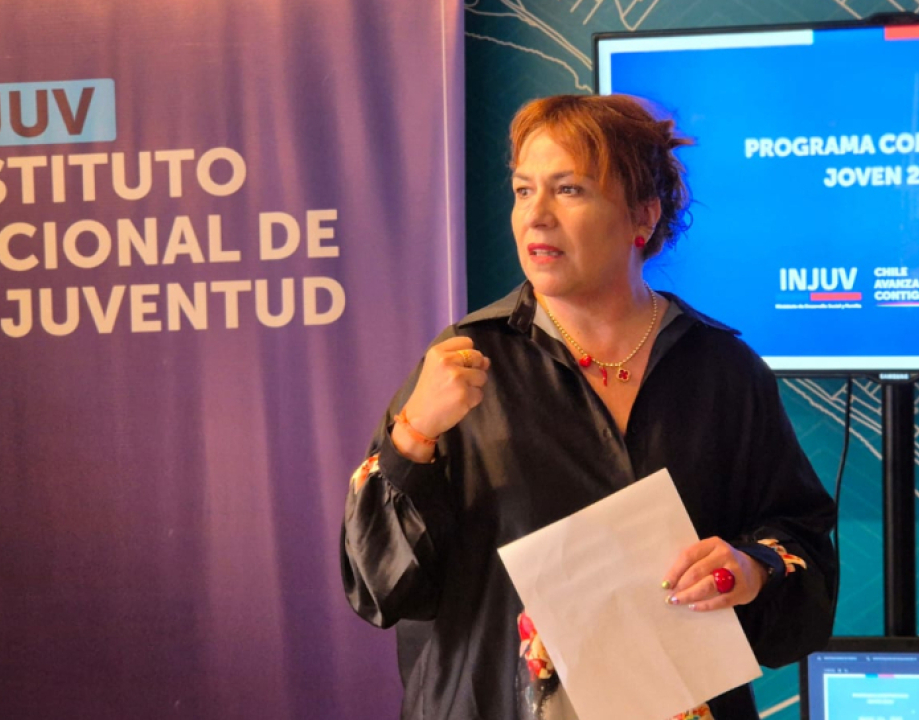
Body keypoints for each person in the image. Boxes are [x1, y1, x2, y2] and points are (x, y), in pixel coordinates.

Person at [341, 94, 838, 720]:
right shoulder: (463, 362)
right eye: (524, 191)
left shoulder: (723, 370)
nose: (536, 216)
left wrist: (750, 568)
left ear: (642, 216)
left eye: (569, 190)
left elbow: (800, 543)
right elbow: (376, 586)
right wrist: (411, 438)